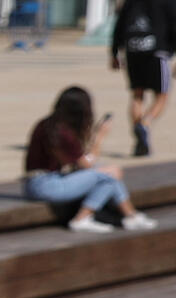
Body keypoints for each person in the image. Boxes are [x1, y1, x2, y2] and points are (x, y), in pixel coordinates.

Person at [24, 85, 156, 232]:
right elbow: (86, 164)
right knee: (109, 174)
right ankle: (83, 218)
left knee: (107, 174)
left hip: (40, 182)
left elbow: (79, 164)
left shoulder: (48, 124)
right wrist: (99, 138)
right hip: (45, 185)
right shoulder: (62, 132)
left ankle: (131, 216)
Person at [110, 0, 176, 159]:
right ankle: (145, 124)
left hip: (132, 50)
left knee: (137, 95)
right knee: (162, 94)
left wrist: (114, 52)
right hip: (158, 51)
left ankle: (139, 138)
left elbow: (119, 25)